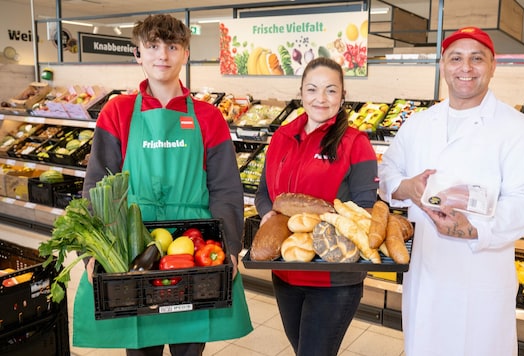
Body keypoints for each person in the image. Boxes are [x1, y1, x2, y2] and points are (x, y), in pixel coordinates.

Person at [72, 14, 252, 355]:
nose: (163, 55)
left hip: (195, 248)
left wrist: (229, 246)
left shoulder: (208, 117)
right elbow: (97, 184)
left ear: (185, 53)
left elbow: (226, 188)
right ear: (138, 54)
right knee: (141, 347)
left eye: (172, 46)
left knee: (189, 345)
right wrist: (91, 252)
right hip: (133, 247)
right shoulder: (117, 112)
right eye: (152, 46)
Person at [378, 27, 524, 355]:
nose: (466, 67)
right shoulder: (418, 123)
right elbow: (387, 170)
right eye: (456, 58)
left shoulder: (520, 129)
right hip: (426, 269)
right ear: (443, 65)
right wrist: (406, 187)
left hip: (481, 271)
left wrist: (475, 229)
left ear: (493, 65)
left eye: (477, 58)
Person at [254, 57, 379, 356]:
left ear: (343, 95)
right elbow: (263, 193)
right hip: (285, 271)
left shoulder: (355, 143)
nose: (320, 98)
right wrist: (267, 214)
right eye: (312, 89)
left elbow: (363, 207)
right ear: (301, 92)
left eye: (331, 90)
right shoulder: (282, 137)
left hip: (333, 277)